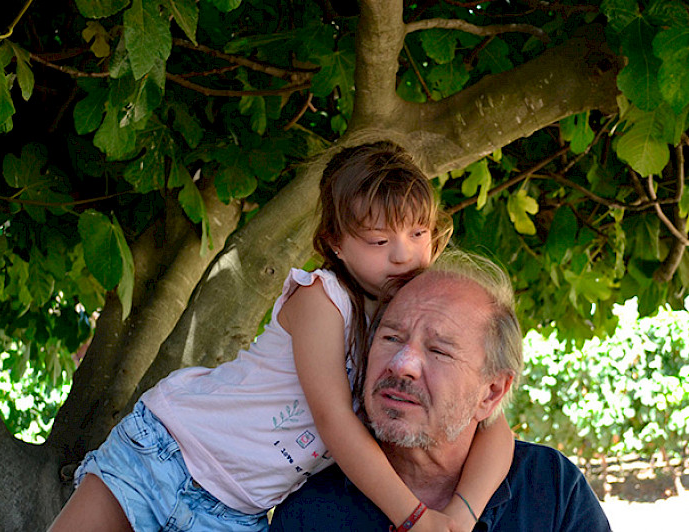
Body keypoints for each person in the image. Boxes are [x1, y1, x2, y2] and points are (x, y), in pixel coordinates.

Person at [49, 142, 514, 532]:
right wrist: (416, 519)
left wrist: (460, 515)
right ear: (334, 243)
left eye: (418, 233)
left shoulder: (404, 323)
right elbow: (333, 418)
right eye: (378, 240)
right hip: (173, 453)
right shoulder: (322, 300)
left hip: (235, 511)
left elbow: (492, 425)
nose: (404, 255)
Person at [270, 250, 612, 532]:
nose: (402, 364)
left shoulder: (551, 488)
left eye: (439, 351)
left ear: (491, 393)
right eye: (391, 337)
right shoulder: (309, 513)